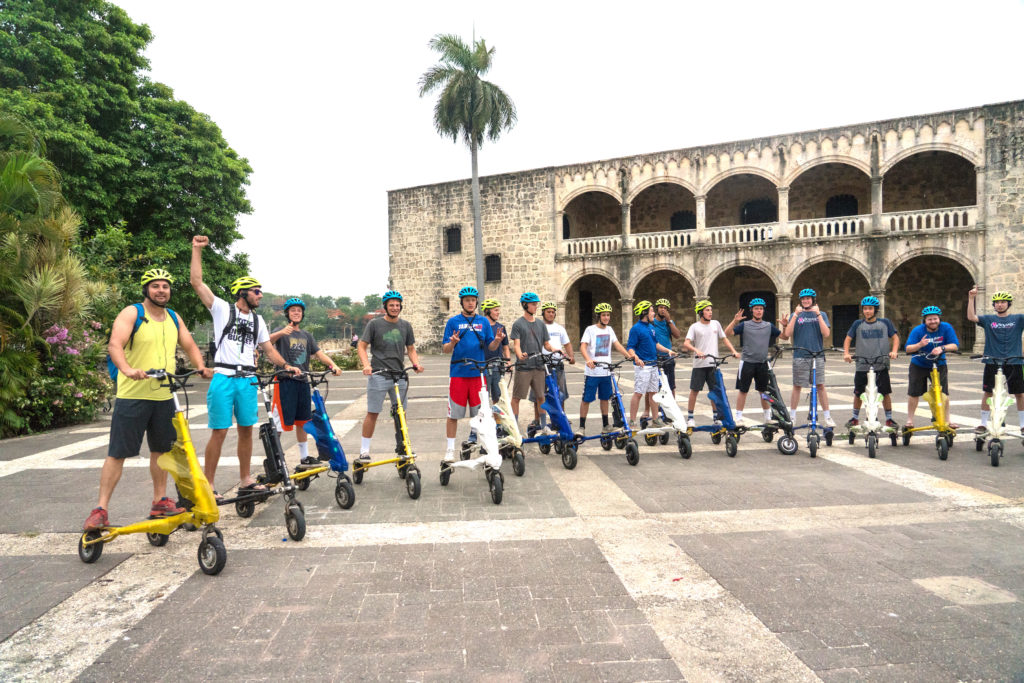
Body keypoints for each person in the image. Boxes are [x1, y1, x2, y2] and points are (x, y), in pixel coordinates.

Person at [84, 269, 213, 531]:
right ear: (146, 290)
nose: (161, 290)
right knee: (118, 453)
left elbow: (188, 343)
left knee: (162, 451)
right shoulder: (132, 313)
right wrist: (128, 369)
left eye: (165, 286)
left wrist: (200, 365)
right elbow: (114, 345)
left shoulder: (173, 317)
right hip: (133, 395)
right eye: (155, 286)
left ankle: (159, 501)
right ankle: (101, 509)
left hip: (164, 394)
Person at [190, 235, 299, 498]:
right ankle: (209, 485)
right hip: (224, 376)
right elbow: (197, 282)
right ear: (243, 293)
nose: (260, 295)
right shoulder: (222, 310)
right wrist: (196, 250)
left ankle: (245, 479)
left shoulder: (258, 320)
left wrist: (287, 366)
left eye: (260, 291)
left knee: (247, 431)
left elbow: (268, 349)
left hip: (248, 380)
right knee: (219, 431)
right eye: (256, 291)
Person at [268, 297, 342, 470]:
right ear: (287, 313)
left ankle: (304, 458)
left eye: (299, 311)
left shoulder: (306, 335)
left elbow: (319, 354)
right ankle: (275, 459)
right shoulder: (281, 331)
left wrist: (333, 365)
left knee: (303, 421)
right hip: (284, 381)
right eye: (293, 310)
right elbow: (266, 343)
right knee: (279, 422)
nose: (296, 313)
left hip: (302, 381)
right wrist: (281, 333)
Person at [357, 290, 423, 463]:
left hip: (399, 375)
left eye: (397, 305)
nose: (395, 307)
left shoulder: (406, 326)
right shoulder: (374, 325)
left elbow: (411, 349)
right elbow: (362, 346)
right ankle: (364, 451)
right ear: (385, 306)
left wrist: (415, 364)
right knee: (373, 412)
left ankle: (403, 446)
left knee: (401, 413)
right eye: (391, 305)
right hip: (379, 374)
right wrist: (366, 365)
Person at [441, 286, 503, 461]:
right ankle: (450, 450)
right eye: (467, 300)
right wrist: (452, 342)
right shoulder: (453, 322)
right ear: (462, 302)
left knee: (481, 415)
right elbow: (445, 349)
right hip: (459, 374)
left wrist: (497, 341)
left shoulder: (483, 322)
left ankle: (482, 445)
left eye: (473, 300)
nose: (470, 303)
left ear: (476, 302)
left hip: (478, 375)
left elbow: (490, 346)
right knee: (453, 415)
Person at [967, 288, 1024, 435]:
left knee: (1019, 393)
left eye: (1003, 302)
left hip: (1014, 360)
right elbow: (972, 317)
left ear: (1008, 304)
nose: (999, 305)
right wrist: (971, 298)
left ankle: (1023, 424)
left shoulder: (1018, 319)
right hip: (992, 360)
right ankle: (983, 424)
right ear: (994, 305)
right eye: (997, 302)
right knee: (988, 392)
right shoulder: (989, 320)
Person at [842, 296, 899, 429]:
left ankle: (889, 419)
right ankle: (855, 418)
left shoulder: (885, 323)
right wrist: (846, 353)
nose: (867, 311)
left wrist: (894, 351)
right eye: (865, 309)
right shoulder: (857, 324)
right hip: (862, 363)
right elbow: (847, 339)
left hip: (881, 363)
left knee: (884, 392)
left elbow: (895, 338)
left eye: (870, 309)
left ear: (876, 310)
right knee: (858, 392)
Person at [724, 298, 783, 426]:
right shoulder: (744, 325)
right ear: (752, 310)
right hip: (747, 362)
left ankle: (767, 417)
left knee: (764, 392)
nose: (759, 311)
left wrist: (786, 324)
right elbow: (727, 333)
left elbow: (785, 337)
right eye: (756, 308)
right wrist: (734, 321)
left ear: (763, 310)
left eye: (761, 308)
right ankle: (738, 417)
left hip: (762, 363)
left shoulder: (768, 326)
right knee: (743, 390)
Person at [682, 300, 740, 428]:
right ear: (701, 312)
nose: (710, 312)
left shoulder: (716, 324)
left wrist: (734, 351)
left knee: (714, 392)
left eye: (711, 310)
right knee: (694, 390)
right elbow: (686, 343)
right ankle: (690, 418)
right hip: (699, 365)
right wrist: (696, 350)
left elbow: (724, 339)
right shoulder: (694, 327)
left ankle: (716, 417)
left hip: (713, 364)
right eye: (707, 310)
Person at [579, 302, 635, 434]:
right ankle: (581, 427)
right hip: (593, 372)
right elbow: (583, 346)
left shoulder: (610, 330)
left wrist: (628, 356)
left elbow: (617, 345)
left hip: (606, 372)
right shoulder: (590, 329)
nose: (606, 318)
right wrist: (588, 359)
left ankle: (605, 425)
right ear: (598, 316)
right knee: (586, 399)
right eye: (603, 315)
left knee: (605, 398)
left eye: (608, 315)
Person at [782, 288, 834, 428]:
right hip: (800, 355)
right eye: (803, 299)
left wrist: (817, 314)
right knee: (797, 386)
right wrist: (794, 316)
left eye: (808, 298)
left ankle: (827, 417)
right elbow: (787, 333)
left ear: (813, 300)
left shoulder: (821, 314)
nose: (805, 301)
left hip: (817, 355)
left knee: (820, 386)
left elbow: (826, 333)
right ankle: (792, 417)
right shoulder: (796, 315)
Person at [904, 306, 959, 428]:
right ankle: (910, 420)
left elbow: (955, 345)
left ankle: (947, 420)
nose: (933, 321)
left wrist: (942, 348)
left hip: (939, 363)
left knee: (943, 393)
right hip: (919, 364)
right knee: (914, 393)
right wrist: (919, 344)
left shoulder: (946, 327)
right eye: (929, 319)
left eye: (935, 319)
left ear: (939, 319)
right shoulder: (918, 330)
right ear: (925, 320)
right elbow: (907, 349)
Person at [626, 300, 677, 426]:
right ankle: (632, 421)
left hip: (654, 365)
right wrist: (635, 357)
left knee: (654, 393)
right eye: (651, 311)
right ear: (644, 313)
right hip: (643, 367)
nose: (653, 313)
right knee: (638, 393)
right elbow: (630, 347)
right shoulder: (636, 329)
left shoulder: (651, 327)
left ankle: (655, 419)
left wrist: (668, 350)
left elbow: (656, 344)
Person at [510, 292, 555, 432]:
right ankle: (514, 426)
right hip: (524, 367)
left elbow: (546, 344)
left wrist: (556, 350)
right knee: (517, 397)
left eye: (536, 304)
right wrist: (519, 355)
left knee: (541, 397)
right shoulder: (518, 324)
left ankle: (543, 426)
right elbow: (516, 344)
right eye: (533, 304)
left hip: (539, 366)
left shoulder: (541, 324)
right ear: (525, 305)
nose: (536, 306)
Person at [531, 301, 575, 429]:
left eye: (553, 312)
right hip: (541, 364)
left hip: (557, 363)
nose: (551, 314)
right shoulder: (537, 326)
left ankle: (562, 416)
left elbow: (567, 344)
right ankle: (537, 419)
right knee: (539, 393)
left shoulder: (559, 328)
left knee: (561, 392)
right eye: (548, 312)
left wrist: (571, 357)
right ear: (543, 313)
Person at [480, 298, 511, 404]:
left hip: (498, 366)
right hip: (484, 366)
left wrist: (508, 361)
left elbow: (505, 346)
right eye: (496, 310)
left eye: (498, 310)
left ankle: (496, 418)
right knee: (484, 395)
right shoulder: (481, 327)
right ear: (488, 311)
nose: (498, 312)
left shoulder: (501, 327)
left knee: (497, 396)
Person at [651, 298, 682, 396]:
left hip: (668, 357)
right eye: (660, 307)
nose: (662, 310)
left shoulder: (670, 322)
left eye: (665, 308)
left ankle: (672, 406)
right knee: (655, 386)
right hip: (655, 357)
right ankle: (655, 407)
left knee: (671, 385)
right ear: (657, 309)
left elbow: (677, 335)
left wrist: (669, 321)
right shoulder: (652, 322)